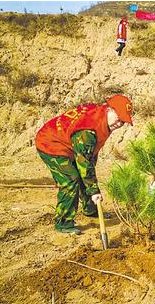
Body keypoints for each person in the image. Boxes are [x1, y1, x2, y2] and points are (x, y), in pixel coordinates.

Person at [35, 95, 133, 234]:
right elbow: (84, 163)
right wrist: (94, 191)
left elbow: (88, 157)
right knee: (70, 180)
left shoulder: (103, 118)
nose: (119, 124)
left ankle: (91, 210)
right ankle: (63, 223)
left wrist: (92, 186)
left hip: (69, 143)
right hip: (50, 143)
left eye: (123, 122)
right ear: (109, 109)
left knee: (85, 175)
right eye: (119, 119)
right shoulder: (88, 129)